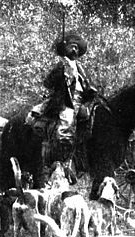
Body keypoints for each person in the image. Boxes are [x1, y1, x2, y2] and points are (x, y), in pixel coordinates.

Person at [41, 32, 97, 162]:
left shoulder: (79, 67)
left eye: (76, 48)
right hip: (64, 103)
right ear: (64, 49)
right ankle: (60, 160)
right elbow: (48, 83)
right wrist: (62, 74)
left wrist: (90, 91)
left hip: (81, 103)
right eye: (71, 46)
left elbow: (87, 85)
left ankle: (83, 157)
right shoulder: (61, 65)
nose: (74, 50)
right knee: (66, 125)